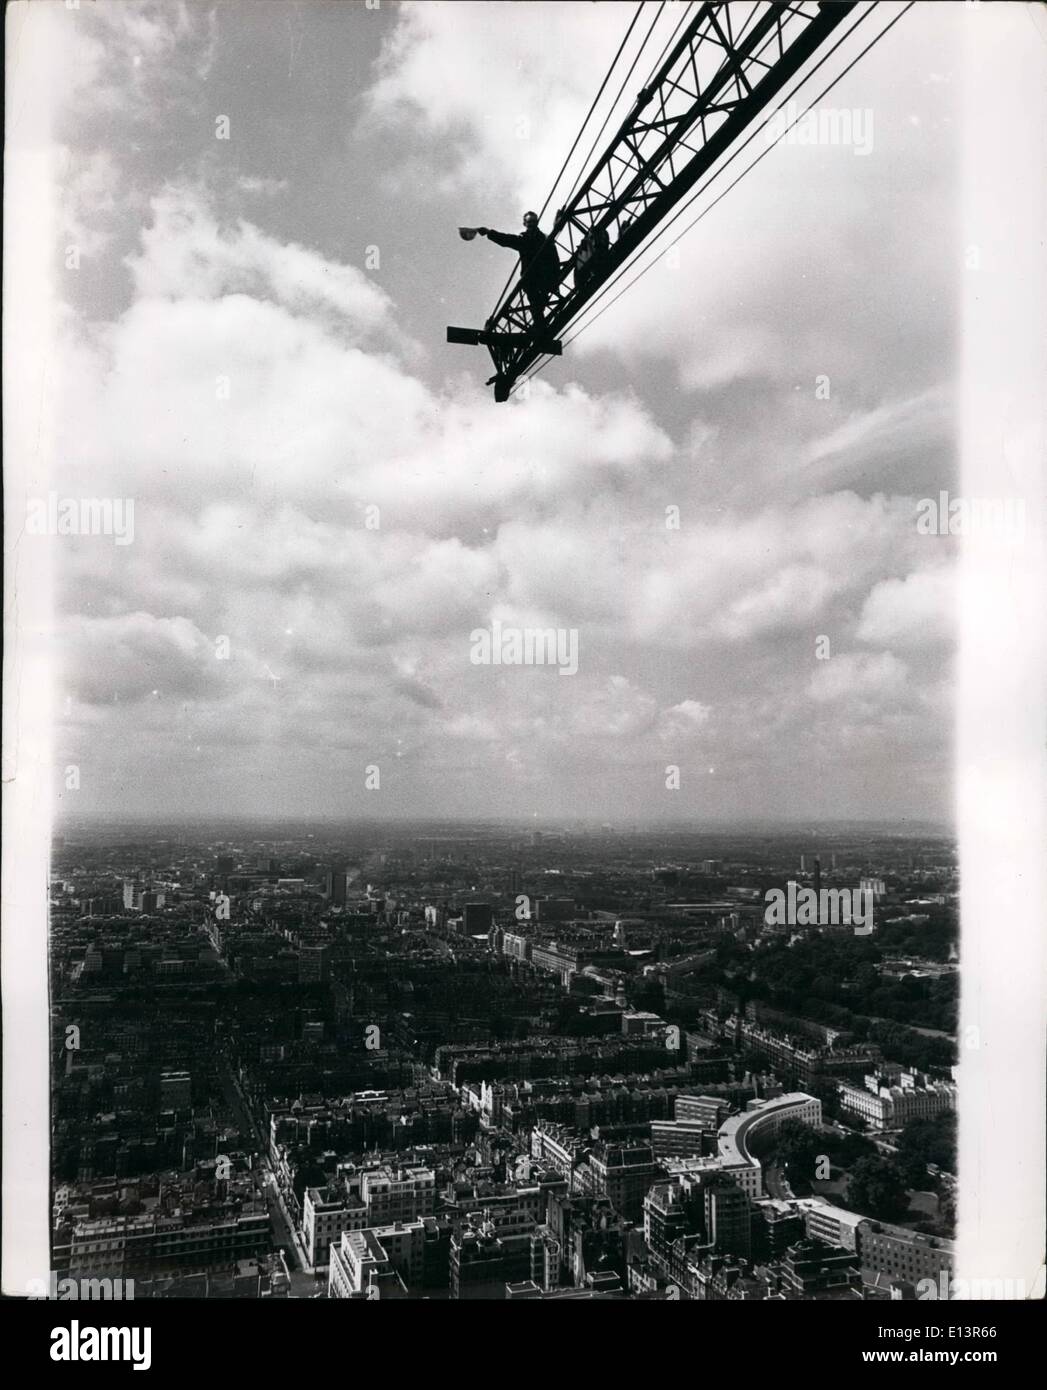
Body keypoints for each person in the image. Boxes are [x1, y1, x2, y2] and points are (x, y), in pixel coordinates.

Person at [475, 212, 561, 325]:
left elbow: (554, 258)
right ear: (525, 224)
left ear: (537, 222)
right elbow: (507, 239)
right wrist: (489, 232)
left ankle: (539, 325)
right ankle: (540, 325)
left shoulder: (542, 239)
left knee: (538, 304)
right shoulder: (526, 239)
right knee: (537, 305)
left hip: (542, 277)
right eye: (529, 222)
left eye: (533, 222)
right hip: (533, 279)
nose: (531, 224)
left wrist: (556, 278)